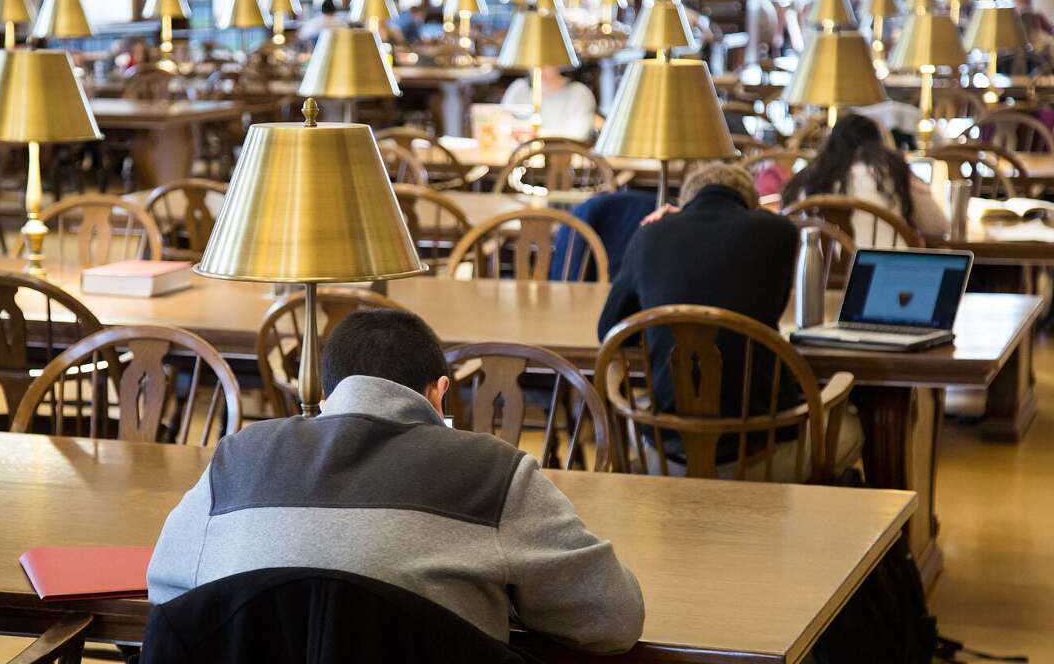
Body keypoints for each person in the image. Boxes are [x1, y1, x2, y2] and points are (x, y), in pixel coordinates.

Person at [148, 309, 645, 654]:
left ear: (326, 396)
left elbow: (167, 592)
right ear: (439, 393)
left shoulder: (237, 458)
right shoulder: (495, 474)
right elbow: (612, 620)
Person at [597, 164, 798, 437]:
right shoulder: (779, 232)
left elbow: (608, 330)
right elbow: (774, 307)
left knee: (642, 418)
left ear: (686, 202)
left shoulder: (649, 235)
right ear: (750, 206)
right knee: (849, 427)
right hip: (761, 437)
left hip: (667, 441)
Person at [783, 113, 948, 239]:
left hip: (822, 272)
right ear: (878, 143)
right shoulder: (891, 170)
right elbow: (938, 227)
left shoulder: (805, 179)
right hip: (882, 268)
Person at [500, 65, 597, 141]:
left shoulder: (579, 93)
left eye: (546, 63)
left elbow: (577, 137)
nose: (539, 68)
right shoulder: (519, 89)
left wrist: (538, 135)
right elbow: (501, 124)